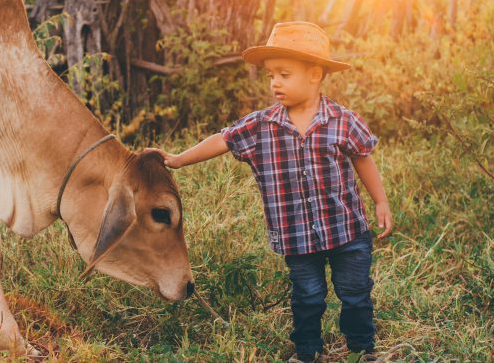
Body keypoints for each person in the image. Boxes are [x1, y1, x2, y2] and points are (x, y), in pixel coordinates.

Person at [146, 21, 392, 362]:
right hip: (297, 235)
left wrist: (380, 201)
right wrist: (178, 159)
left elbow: (363, 159)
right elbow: (223, 139)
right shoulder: (261, 125)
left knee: (355, 293)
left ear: (315, 74)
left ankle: (362, 350)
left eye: (284, 74)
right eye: (270, 75)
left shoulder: (342, 120)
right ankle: (307, 352)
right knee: (307, 295)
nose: (275, 82)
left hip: (346, 229)